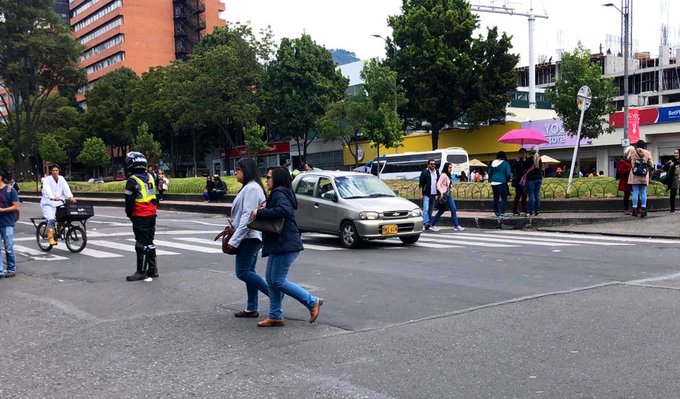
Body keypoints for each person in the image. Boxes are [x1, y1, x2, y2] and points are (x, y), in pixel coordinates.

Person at [251, 166, 323, 327]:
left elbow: (283, 210)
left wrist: (260, 213)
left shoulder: (279, 193)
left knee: (277, 280)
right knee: (271, 280)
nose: (266, 180)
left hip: (286, 243)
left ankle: (312, 301)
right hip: (280, 242)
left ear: (277, 179)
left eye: (269, 177)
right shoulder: (283, 192)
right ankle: (275, 315)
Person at [227, 158, 269, 318]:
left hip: (249, 236)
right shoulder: (250, 187)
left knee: (242, 272)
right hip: (249, 235)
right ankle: (252, 307)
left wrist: (234, 240)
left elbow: (247, 217)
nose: (235, 172)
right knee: (249, 271)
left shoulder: (251, 188)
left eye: (238, 169)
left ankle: (274, 294)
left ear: (246, 170)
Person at [124, 152, 159, 281]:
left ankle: (141, 271)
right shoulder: (150, 177)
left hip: (139, 215)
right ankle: (153, 270)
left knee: (140, 243)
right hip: (152, 214)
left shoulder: (132, 181)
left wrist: (129, 214)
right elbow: (156, 195)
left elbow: (129, 202)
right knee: (149, 241)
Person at [40, 164, 75, 246]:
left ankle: (59, 230)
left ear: (59, 171)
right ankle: (50, 237)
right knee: (51, 219)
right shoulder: (47, 180)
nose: (55, 172)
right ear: (51, 172)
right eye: (53, 170)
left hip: (59, 202)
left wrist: (70, 197)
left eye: (56, 170)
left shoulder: (61, 179)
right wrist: (52, 197)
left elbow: (66, 188)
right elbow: (46, 189)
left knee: (63, 217)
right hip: (48, 203)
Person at [428, 162, 465, 232]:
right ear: (446, 168)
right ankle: (432, 225)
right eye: (449, 167)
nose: (451, 169)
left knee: (453, 209)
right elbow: (438, 184)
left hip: (449, 195)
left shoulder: (448, 175)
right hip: (444, 195)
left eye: (451, 167)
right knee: (442, 211)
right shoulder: (444, 175)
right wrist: (442, 192)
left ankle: (456, 225)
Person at [626, 140, 654, 218]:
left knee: (635, 191)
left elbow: (627, 158)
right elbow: (651, 164)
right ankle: (644, 209)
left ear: (637, 145)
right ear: (644, 145)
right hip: (644, 175)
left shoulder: (633, 152)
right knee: (643, 192)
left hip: (635, 174)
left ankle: (634, 209)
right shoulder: (647, 153)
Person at [0, 171, 19, 279]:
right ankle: (0, 271)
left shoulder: (10, 190)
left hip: (7, 222)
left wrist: (2, 210)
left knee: (9, 247)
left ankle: (11, 269)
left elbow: (16, 206)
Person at [489, 151, 512, 217]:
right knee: (504, 198)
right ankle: (502, 212)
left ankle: (496, 212)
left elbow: (490, 172)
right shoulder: (505, 163)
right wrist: (507, 179)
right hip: (501, 182)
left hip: (493, 182)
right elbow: (508, 174)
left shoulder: (492, 162)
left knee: (495, 198)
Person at [418, 159, 440, 230]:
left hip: (433, 194)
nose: (433, 165)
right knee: (426, 209)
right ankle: (426, 223)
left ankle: (428, 223)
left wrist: (439, 193)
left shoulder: (437, 172)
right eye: (431, 164)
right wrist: (420, 194)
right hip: (426, 194)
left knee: (430, 210)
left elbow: (438, 183)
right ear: (428, 165)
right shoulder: (425, 172)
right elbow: (421, 184)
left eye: (434, 164)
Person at [511, 148, 531, 216]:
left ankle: (524, 209)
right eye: (521, 153)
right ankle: (514, 210)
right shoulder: (516, 161)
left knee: (524, 195)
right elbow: (514, 168)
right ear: (519, 154)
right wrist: (518, 160)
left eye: (524, 153)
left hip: (525, 180)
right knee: (518, 195)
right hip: (518, 181)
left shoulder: (527, 161)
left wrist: (525, 161)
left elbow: (528, 168)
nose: (523, 154)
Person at [525, 147, 543, 216]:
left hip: (530, 179)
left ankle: (530, 211)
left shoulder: (528, 159)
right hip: (538, 178)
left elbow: (524, 168)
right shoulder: (539, 159)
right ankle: (537, 210)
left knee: (531, 195)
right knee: (537, 194)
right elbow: (540, 168)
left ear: (531, 152)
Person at [662, 148, 680, 214]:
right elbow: (664, 167)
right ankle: (672, 209)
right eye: (675, 153)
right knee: (673, 195)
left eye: (677, 153)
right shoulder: (671, 161)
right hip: (674, 179)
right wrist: (669, 165)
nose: (676, 154)